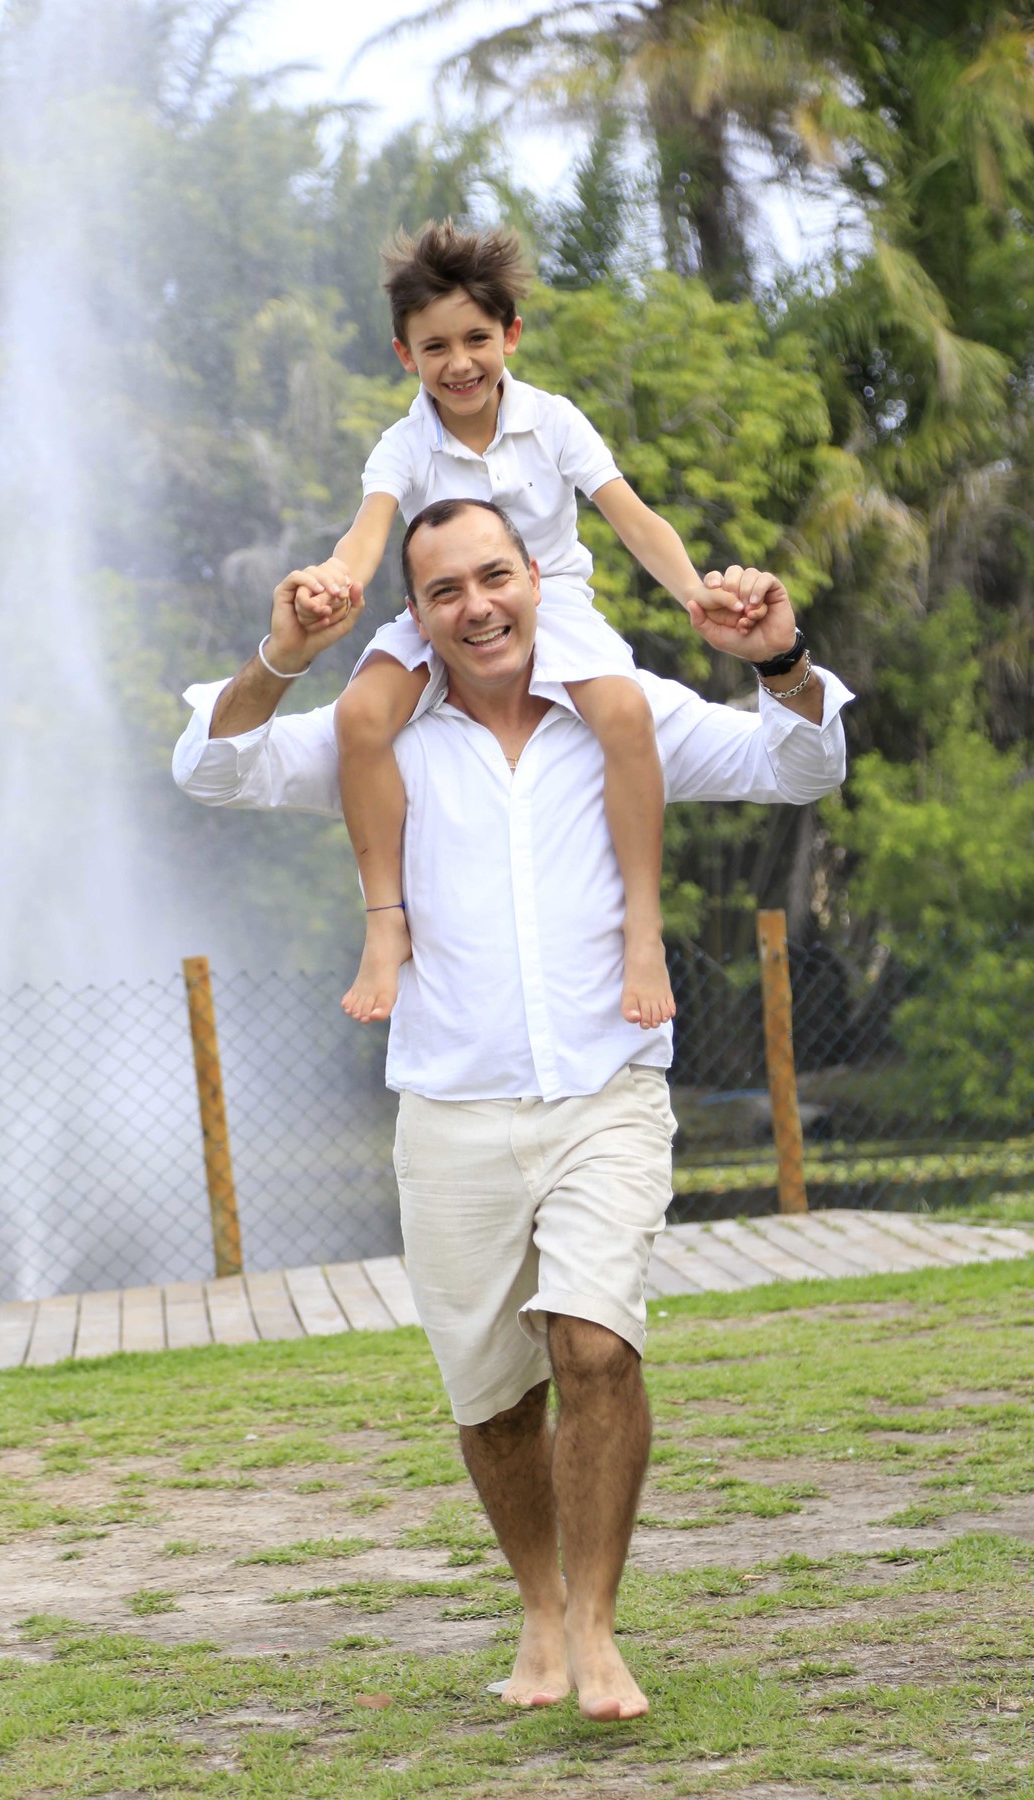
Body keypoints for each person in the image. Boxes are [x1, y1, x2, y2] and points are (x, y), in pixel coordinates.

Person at [173, 498, 852, 1722]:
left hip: (607, 1093)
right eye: (446, 590)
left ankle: (595, 1625)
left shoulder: (623, 712)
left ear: (536, 577)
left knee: (595, 1346)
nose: (477, 606)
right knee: (494, 1401)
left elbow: (800, 765)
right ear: (417, 614)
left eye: (494, 576)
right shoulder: (379, 734)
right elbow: (212, 770)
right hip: (451, 1113)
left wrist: (781, 662)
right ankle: (540, 1607)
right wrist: (281, 657)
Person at [296, 221, 764, 1030]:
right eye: (435, 347)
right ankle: (385, 921)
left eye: (476, 339)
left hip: (554, 606)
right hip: (443, 612)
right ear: (406, 355)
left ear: (509, 335)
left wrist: (695, 591)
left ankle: (642, 929)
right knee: (360, 715)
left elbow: (634, 518)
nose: (460, 363)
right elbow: (366, 534)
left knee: (626, 712)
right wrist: (335, 582)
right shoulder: (403, 445)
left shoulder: (554, 420)